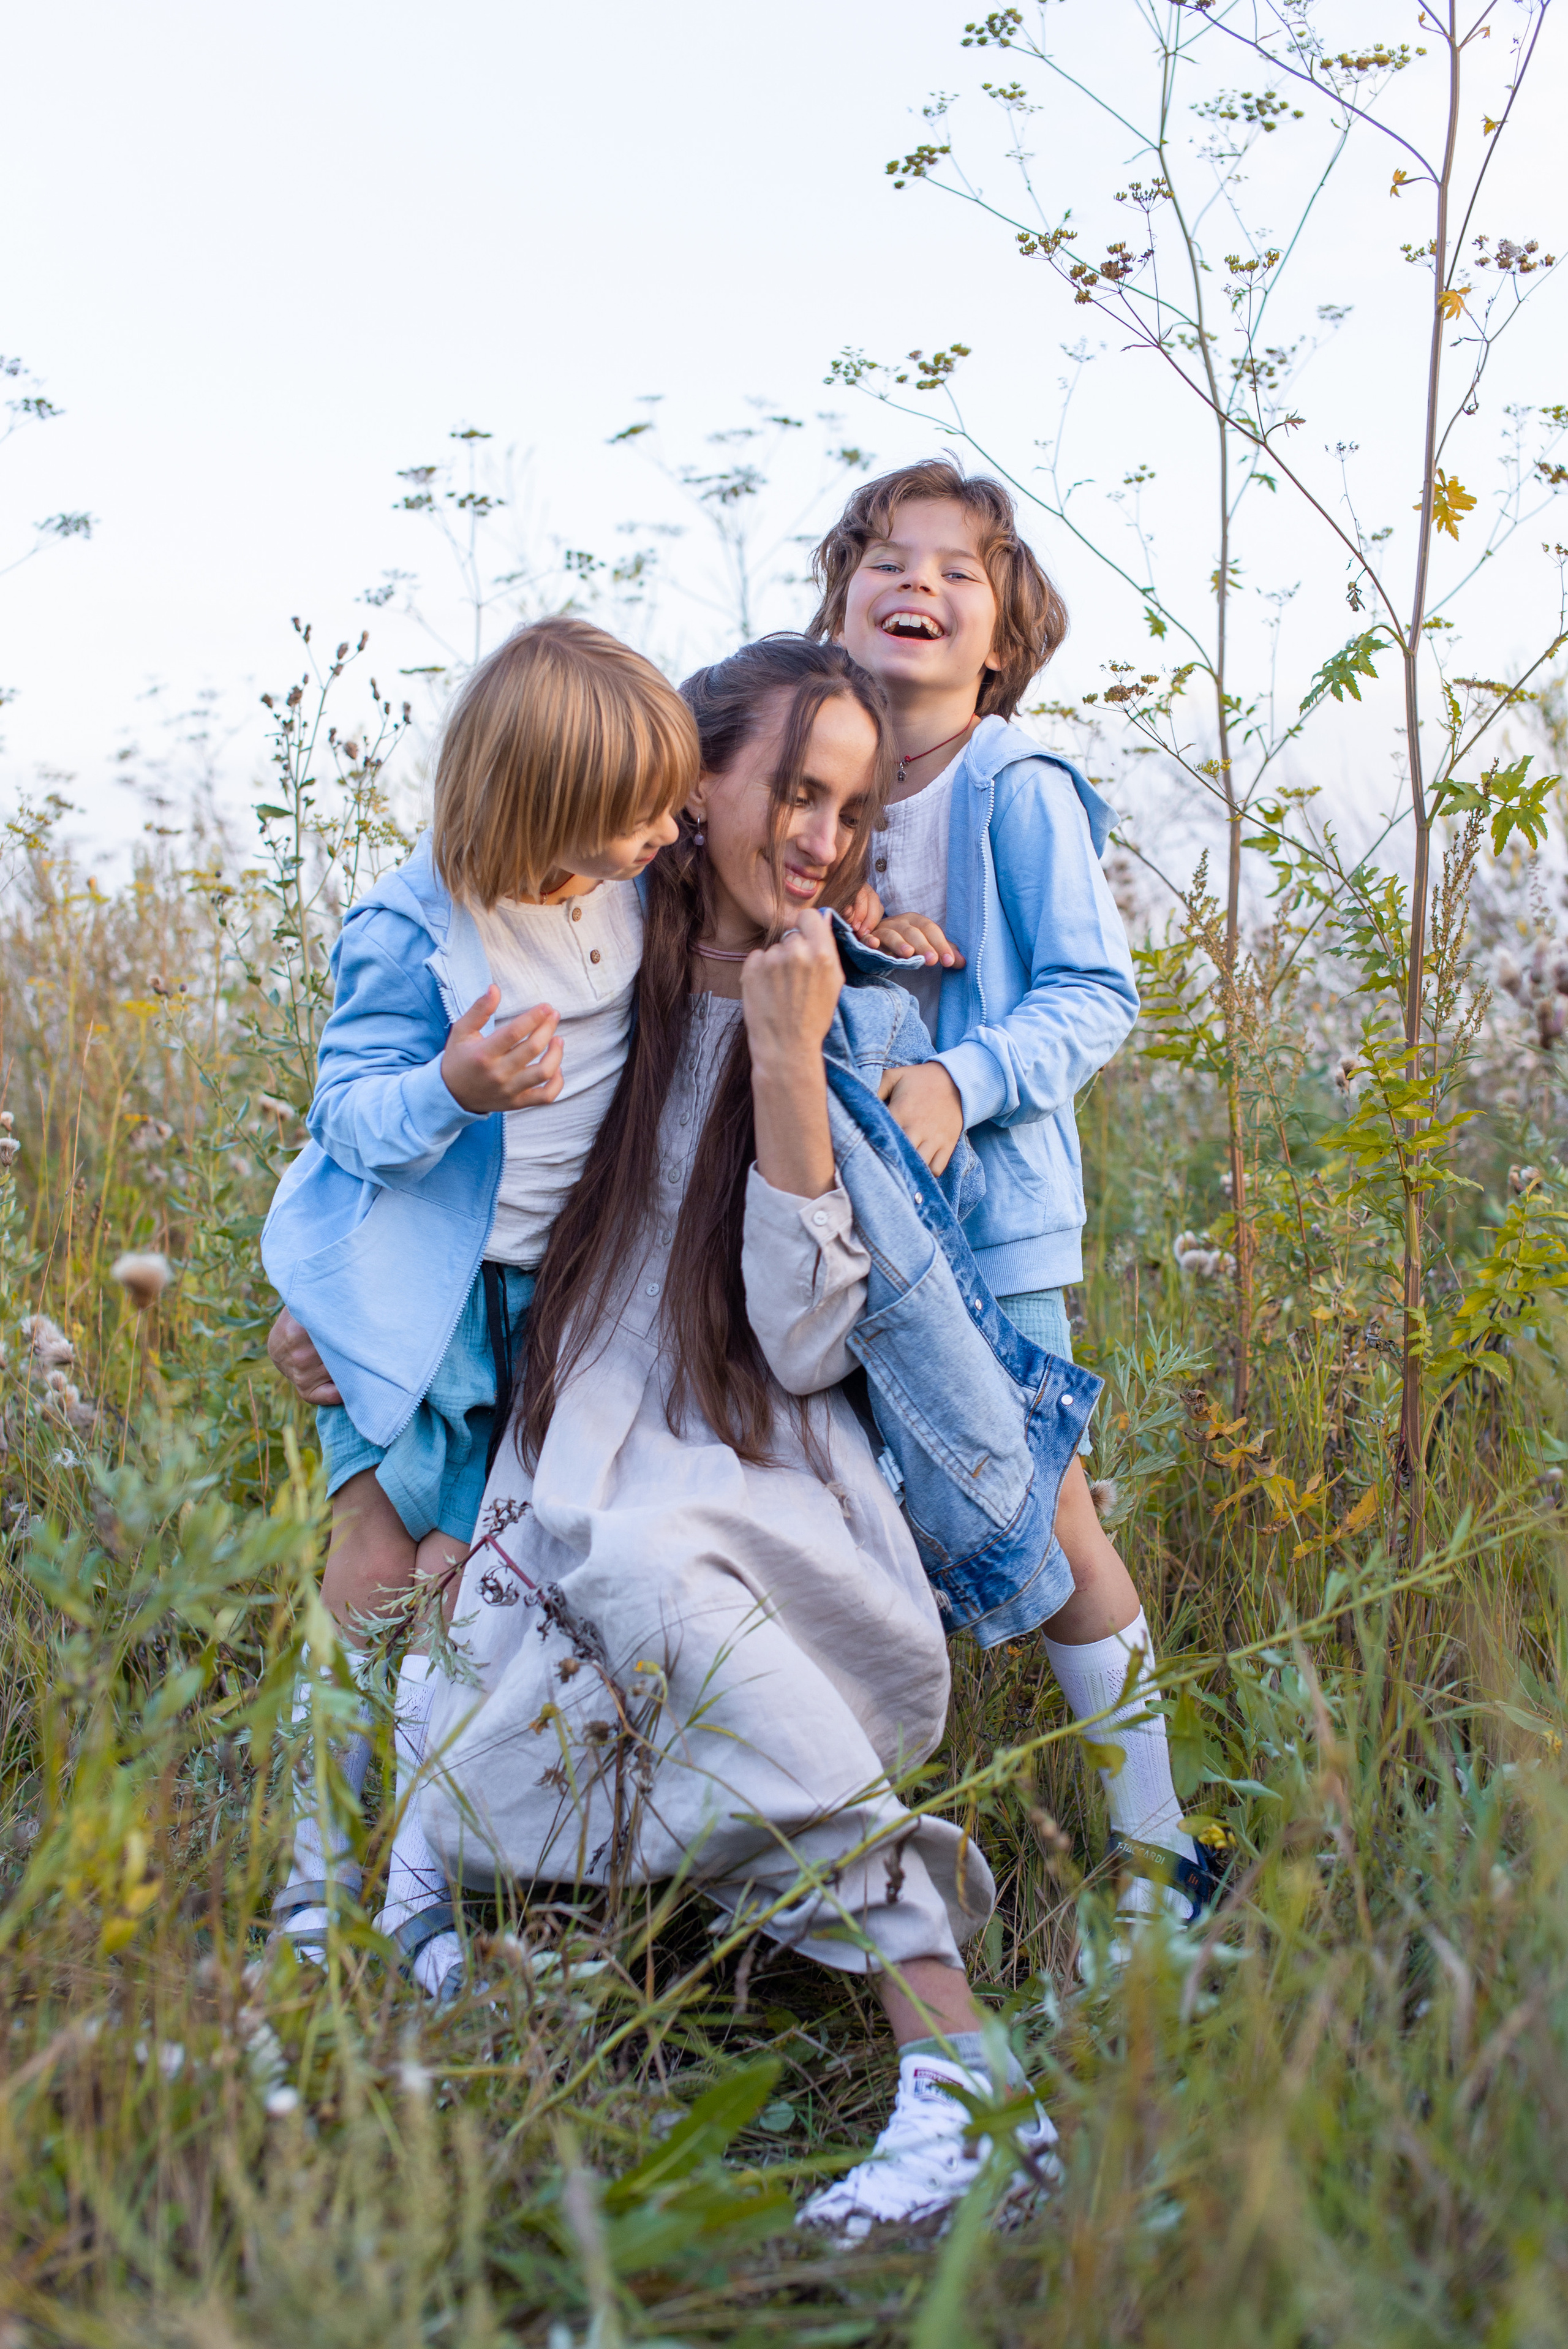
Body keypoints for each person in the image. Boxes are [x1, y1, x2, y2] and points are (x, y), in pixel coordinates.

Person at [413, 635, 1063, 2240]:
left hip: (749, 1461)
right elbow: (427, 1139)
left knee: (648, 1577)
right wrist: (335, 1321)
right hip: (570, 1440)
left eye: (849, 808)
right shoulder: (581, 945)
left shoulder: (849, 1012)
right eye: (794, 791)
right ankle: (560, 1987)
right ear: (689, 787)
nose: (822, 838)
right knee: (447, 1758)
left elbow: (806, 1336)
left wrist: (786, 1051)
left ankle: (964, 2076)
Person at [809, 460, 1216, 1942]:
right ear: (838, 605)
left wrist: (958, 1078)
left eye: (955, 570)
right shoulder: (821, 790)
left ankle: (1163, 1863)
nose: (915, 582)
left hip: (987, 1223)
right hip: (841, 1219)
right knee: (844, 1509)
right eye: (884, 559)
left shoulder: (1012, 785)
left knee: (1044, 1516)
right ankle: (832, 1852)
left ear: (1001, 640)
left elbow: (1094, 993)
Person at [258, 616, 698, 1984]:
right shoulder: (417, 925)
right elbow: (346, 1113)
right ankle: (314, 1880)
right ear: (545, 805)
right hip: (416, 1295)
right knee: (375, 1573)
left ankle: (422, 1885)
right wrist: (452, 1090)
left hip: (554, 1302)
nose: (668, 831)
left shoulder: (633, 893)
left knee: (472, 1594)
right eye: (639, 812)